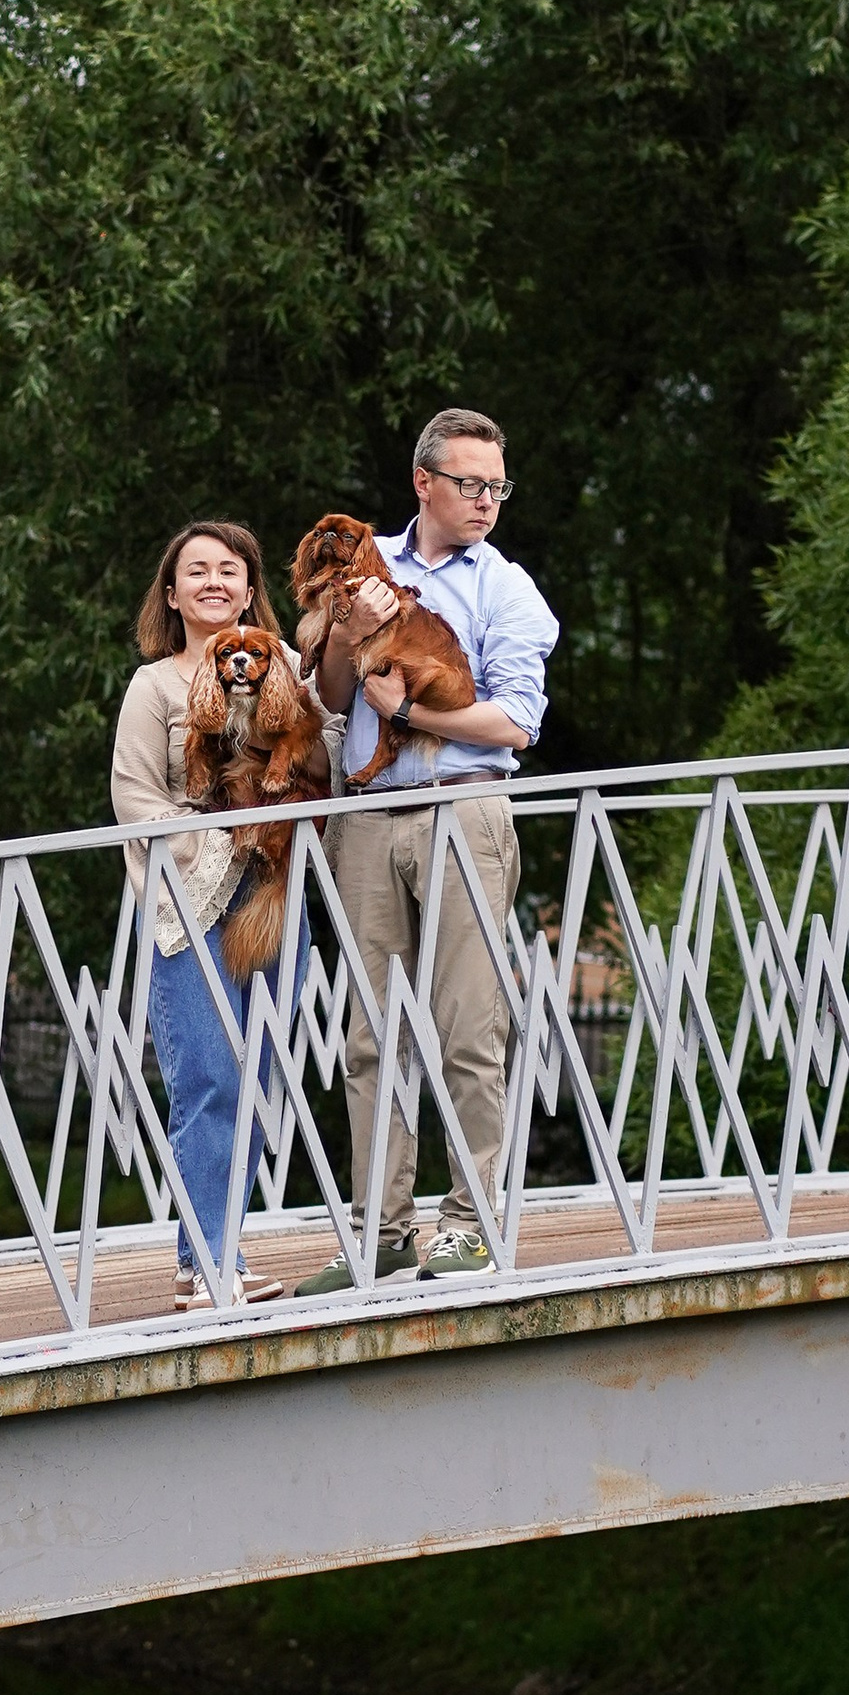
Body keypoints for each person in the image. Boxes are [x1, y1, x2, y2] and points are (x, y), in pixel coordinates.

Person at [294, 410, 557, 1289]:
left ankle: (467, 1221)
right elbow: (331, 699)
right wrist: (339, 631)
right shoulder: (363, 563)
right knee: (369, 1035)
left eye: (497, 485)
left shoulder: (507, 589)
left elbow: (514, 722)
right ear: (424, 483)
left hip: (464, 807)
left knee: (467, 1026)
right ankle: (377, 1229)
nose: (487, 500)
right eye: (471, 483)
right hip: (366, 813)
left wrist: (408, 713)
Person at [109, 519, 295, 1312]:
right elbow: (133, 797)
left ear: (251, 590)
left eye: (230, 569)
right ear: (174, 592)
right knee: (209, 1077)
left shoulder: (282, 668)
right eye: (197, 570)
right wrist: (215, 837)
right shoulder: (154, 687)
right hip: (191, 898)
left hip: (275, 887)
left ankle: (205, 1261)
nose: (214, 581)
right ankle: (215, 1261)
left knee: (260, 1076)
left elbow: (315, 752)